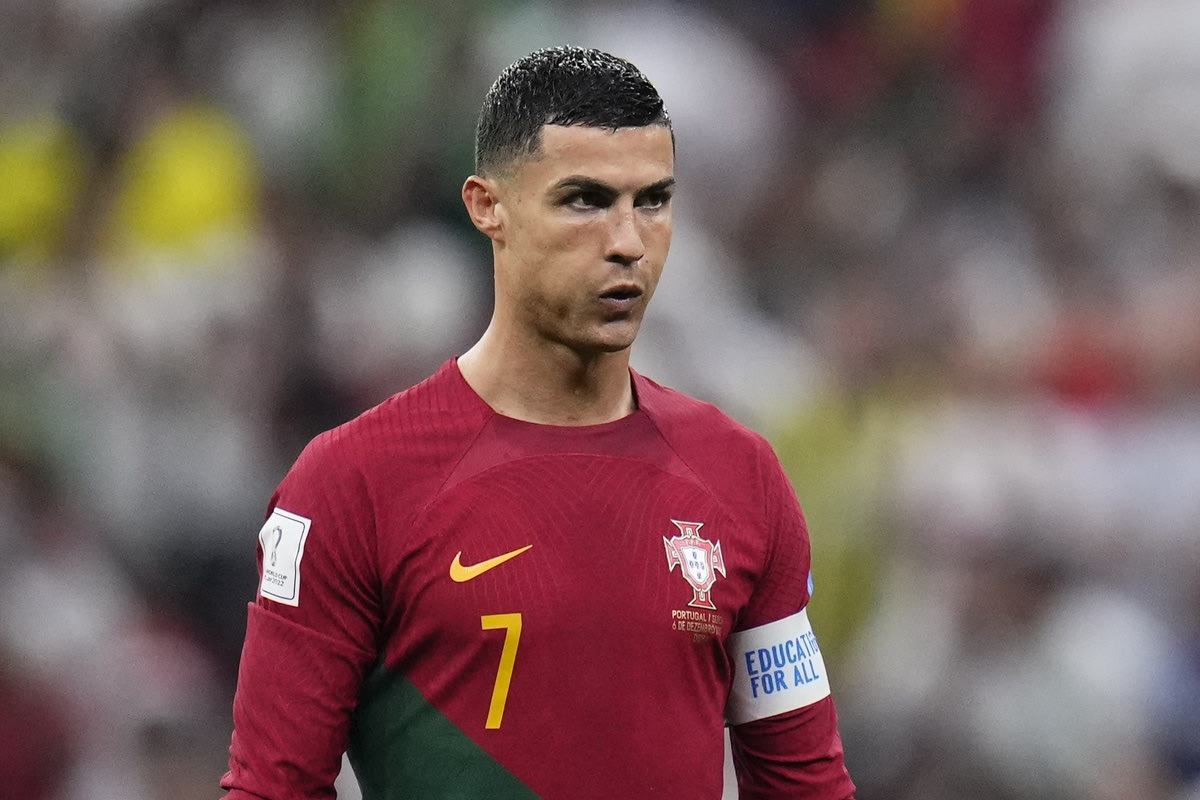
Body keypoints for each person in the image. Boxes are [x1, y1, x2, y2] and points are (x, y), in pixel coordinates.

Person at [220, 45, 856, 800]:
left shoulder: (740, 477)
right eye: (585, 200)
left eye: (652, 201)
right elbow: (272, 788)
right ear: (488, 207)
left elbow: (805, 785)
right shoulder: (351, 485)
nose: (627, 242)